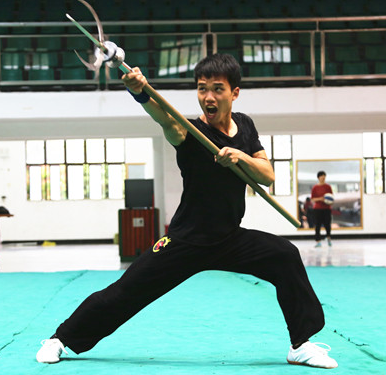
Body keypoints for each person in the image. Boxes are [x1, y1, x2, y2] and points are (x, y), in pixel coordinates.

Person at [35, 54, 338, 369]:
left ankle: (300, 345)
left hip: (229, 238)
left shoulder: (245, 126)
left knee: (285, 255)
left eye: (217, 89)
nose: (208, 97)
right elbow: (164, 118)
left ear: (234, 93)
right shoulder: (189, 131)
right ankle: (60, 339)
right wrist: (140, 92)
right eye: (202, 88)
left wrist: (240, 157)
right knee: (125, 292)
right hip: (186, 240)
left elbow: (268, 175)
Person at [311, 171, 333, 248]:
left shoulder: (328, 187)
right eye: (321, 176)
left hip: (327, 209)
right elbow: (312, 199)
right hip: (317, 209)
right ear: (318, 178)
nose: (323, 178)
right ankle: (318, 241)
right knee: (317, 225)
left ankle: (329, 238)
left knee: (327, 225)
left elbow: (331, 197)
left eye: (324, 176)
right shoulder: (315, 187)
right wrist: (320, 199)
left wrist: (328, 201)